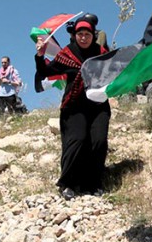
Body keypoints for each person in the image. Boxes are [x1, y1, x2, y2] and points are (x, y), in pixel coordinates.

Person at [34, 14, 110, 199]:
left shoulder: (101, 53)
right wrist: (40, 55)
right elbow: (45, 71)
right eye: (80, 34)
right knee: (76, 140)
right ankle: (68, 183)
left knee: (98, 141)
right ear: (75, 35)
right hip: (74, 106)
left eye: (87, 34)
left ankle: (94, 183)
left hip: (98, 105)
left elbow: (115, 73)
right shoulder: (66, 54)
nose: (83, 37)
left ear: (93, 35)